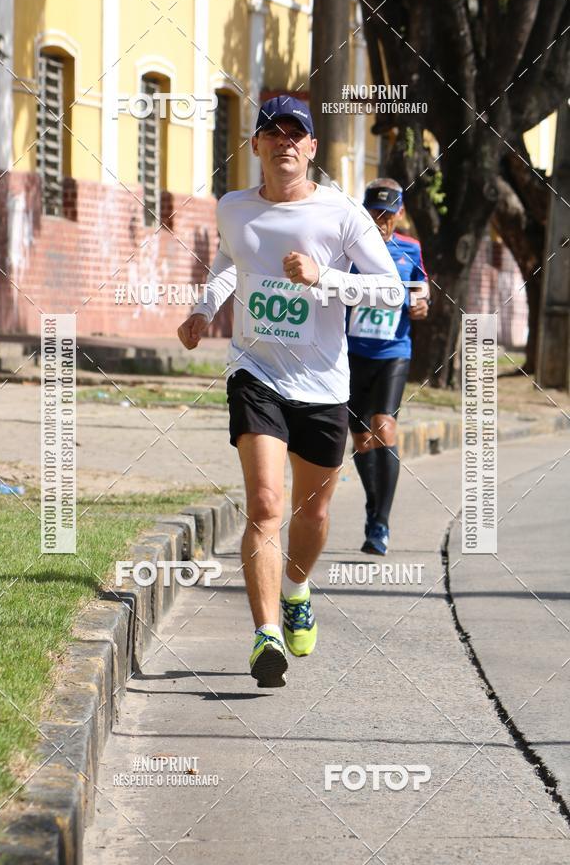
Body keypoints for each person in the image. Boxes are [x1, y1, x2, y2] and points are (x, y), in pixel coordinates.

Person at [177, 96, 403, 688]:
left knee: (314, 511)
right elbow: (231, 258)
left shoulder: (342, 214)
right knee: (266, 506)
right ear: (254, 146)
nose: (283, 143)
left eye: (294, 135)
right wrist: (204, 311)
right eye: (270, 134)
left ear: (311, 149)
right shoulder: (233, 207)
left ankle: (298, 589)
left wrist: (324, 277)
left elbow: (391, 291)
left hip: (325, 384)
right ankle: (266, 634)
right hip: (256, 373)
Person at [347, 178, 429, 555]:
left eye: (387, 213)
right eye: (373, 212)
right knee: (362, 438)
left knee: (384, 425)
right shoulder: (348, 247)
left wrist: (421, 305)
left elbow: (421, 292)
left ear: (400, 213)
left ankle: (381, 523)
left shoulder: (409, 249)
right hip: (350, 354)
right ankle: (373, 504)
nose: (380, 221)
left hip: (393, 351)